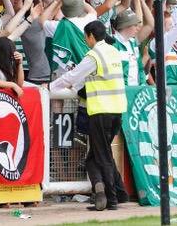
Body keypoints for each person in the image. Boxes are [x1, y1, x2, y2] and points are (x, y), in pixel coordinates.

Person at [49, 20, 127, 211]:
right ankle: (117, 193)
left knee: (102, 157)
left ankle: (112, 200)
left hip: (101, 110)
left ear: (91, 36)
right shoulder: (113, 51)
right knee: (99, 155)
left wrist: (49, 88)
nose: (85, 40)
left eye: (86, 37)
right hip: (117, 109)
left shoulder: (94, 55)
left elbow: (73, 76)